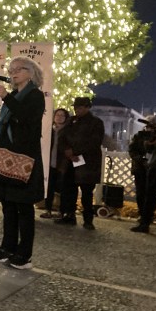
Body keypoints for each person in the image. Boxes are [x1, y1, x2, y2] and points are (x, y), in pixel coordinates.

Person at [0, 56, 45, 270]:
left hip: (24, 158)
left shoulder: (35, 96)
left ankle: (24, 254)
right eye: (11, 70)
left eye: (18, 69)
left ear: (31, 72)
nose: (13, 73)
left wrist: (7, 98)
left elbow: (27, 118)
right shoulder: (17, 95)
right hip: (6, 156)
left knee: (24, 208)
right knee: (8, 205)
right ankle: (6, 248)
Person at [55, 97, 105, 230]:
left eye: (80, 107)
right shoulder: (71, 121)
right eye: (75, 107)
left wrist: (75, 151)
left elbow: (94, 142)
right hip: (70, 161)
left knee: (87, 192)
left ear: (88, 107)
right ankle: (69, 215)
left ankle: (88, 219)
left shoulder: (96, 122)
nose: (77, 110)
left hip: (87, 162)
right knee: (68, 190)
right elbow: (62, 137)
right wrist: (67, 151)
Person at [131, 122, 156, 233]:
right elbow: (146, 149)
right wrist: (150, 143)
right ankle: (144, 221)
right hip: (151, 167)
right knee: (146, 195)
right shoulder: (141, 136)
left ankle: (145, 222)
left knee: (150, 195)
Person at [41, 108, 71, 218]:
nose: (59, 117)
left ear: (66, 117)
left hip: (62, 164)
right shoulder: (49, 130)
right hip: (50, 163)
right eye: (57, 115)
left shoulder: (68, 130)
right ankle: (48, 209)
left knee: (63, 188)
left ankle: (61, 211)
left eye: (62, 115)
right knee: (49, 188)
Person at [128, 115, 156, 220]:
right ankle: (142, 214)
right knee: (140, 192)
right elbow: (132, 150)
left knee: (151, 193)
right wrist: (141, 159)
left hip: (153, 169)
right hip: (140, 168)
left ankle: (149, 215)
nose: (148, 127)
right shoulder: (138, 136)